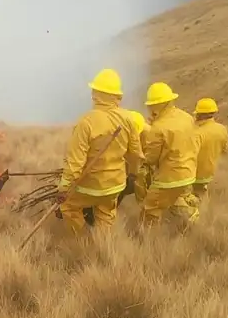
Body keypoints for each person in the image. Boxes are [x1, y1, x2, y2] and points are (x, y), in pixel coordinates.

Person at [57, 68, 143, 233]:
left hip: (90, 186)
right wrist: (133, 174)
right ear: (117, 95)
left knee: (68, 207)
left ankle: (81, 241)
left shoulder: (86, 122)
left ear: (96, 94)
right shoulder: (128, 118)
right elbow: (135, 154)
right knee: (106, 214)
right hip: (115, 185)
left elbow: (75, 163)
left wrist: (64, 188)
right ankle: (103, 245)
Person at [139, 82, 201, 227]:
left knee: (150, 208)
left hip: (169, 177)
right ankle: (192, 220)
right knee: (176, 197)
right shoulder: (186, 117)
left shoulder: (158, 127)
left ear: (157, 105)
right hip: (189, 172)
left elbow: (151, 158)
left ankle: (149, 239)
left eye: (152, 105)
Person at [188, 98, 228, 205]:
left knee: (196, 201)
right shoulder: (222, 129)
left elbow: (190, 155)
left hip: (197, 175)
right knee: (207, 198)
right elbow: (224, 150)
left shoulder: (197, 133)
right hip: (213, 173)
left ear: (200, 114)